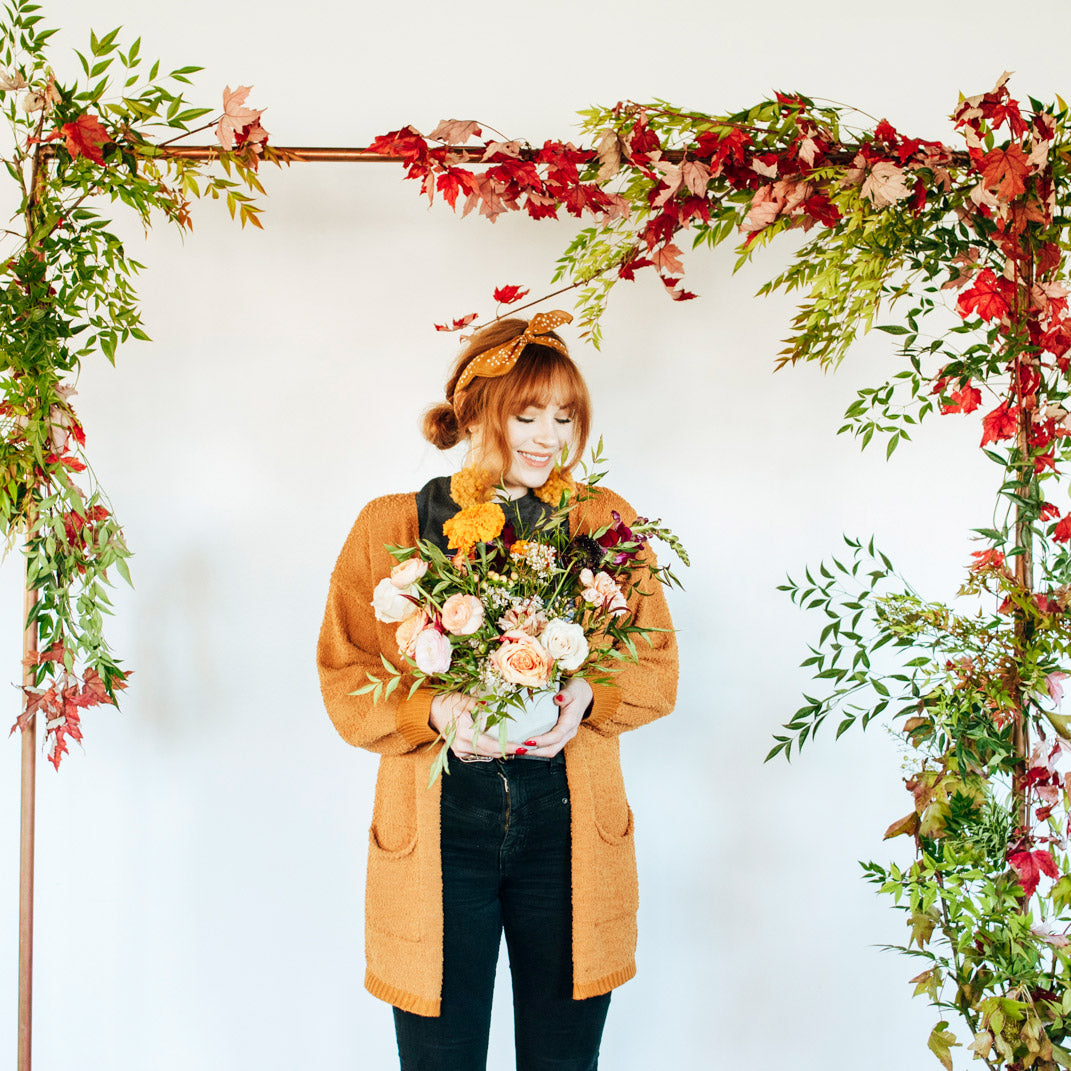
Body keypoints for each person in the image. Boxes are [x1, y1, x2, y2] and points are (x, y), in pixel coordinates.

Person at [317, 310, 679, 1071]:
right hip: (442, 832)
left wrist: (584, 695)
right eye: (527, 414)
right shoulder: (388, 526)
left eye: (564, 415)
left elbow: (656, 662)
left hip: (568, 828)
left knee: (562, 1061)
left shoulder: (601, 519)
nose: (549, 436)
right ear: (477, 410)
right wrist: (435, 708)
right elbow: (345, 677)